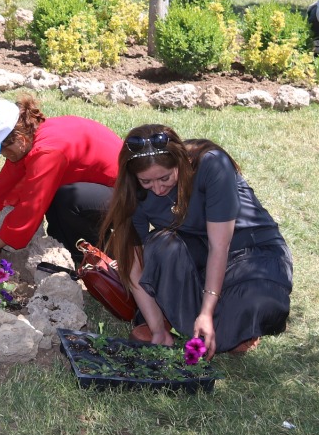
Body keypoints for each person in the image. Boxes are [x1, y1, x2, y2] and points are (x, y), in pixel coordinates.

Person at [99, 125, 292, 355]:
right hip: (196, 254)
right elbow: (134, 262)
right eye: (146, 182)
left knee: (260, 300)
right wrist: (157, 329)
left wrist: (207, 313)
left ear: (180, 163)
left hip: (250, 252)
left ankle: (224, 324)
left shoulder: (212, 163)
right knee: (158, 246)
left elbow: (219, 246)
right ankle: (181, 323)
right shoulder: (132, 190)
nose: (157, 189)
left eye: (164, 178)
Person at [0, 96, 121, 260]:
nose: (2, 155)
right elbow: (0, 190)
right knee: (58, 205)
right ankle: (69, 252)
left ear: (20, 140)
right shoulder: (30, 138)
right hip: (103, 190)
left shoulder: (47, 152)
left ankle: (106, 255)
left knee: (63, 200)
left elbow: (31, 207)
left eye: (2, 150)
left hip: (128, 196)